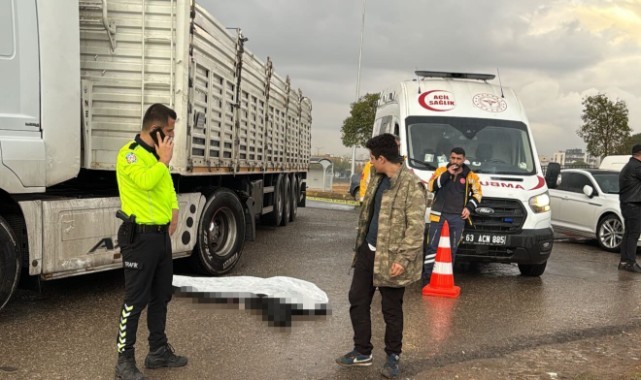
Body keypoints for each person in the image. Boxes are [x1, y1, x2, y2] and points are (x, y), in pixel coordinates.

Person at [336, 133, 426, 379]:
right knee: (357, 298)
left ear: (383, 158)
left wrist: (403, 260)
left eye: (372, 158)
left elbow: (416, 229)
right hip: (369, 250)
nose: (371, 162)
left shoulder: (412, 186)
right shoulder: (377, 178)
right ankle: (362, 351)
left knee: (391, 310)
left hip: (393, 258)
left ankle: (393, 357)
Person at [114, 104, 187, 380]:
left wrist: (175, 208)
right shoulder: (130, 155)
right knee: (135, 301)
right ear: (155, 130)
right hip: (139, 238)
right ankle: (124, 361)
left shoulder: (158, 158)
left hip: (160, 238)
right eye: (169, 132)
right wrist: (163, 161)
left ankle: (157, 351)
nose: (172, 137)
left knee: (161, 296)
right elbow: (145, 182)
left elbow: (165, 186)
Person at [422, 147, 482, 286]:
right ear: (449, 158)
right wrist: (447, 174)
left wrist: (469, 207)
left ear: (464, 159)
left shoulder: (470, 176)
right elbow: (431, 187)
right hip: (438, 216)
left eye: (458, 159)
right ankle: (427, 280)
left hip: (457, 218)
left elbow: (477, 194)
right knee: (432, 247)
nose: (455, 161)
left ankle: (444, 280)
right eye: (453, 158)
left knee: (452, 249)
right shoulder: (440, 171)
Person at [618, 144, 641, 273]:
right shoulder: (637, 167)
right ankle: (630, 262)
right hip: (634, 204)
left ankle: (624, 261)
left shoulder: (628, 166)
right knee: (633, 234)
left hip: (627, 204)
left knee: (628, 233)